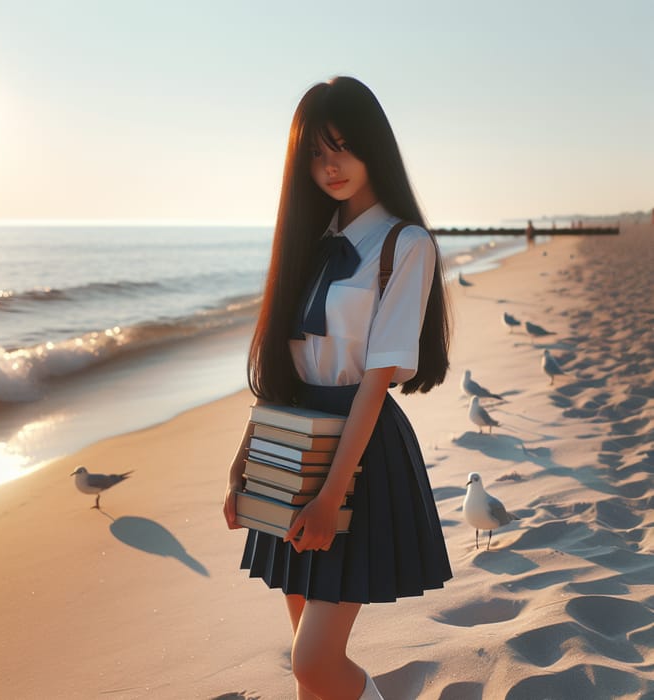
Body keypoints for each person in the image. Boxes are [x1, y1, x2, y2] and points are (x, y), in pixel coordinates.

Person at [223, 76, 452, 700]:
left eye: (344, 146)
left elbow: (377, 381)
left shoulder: (406, 244)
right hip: (293, 440)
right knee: (309, 653)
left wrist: (330, 495)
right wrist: (244, 461)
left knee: (313, 662)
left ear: (374, 147)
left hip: (360, 445)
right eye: (317, 154)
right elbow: (283, 367)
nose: (332, 166)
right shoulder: (312, 239)